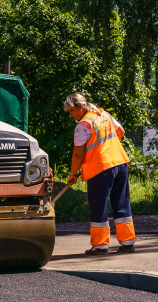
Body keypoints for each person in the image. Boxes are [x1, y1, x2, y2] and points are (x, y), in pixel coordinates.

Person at [64, 93, 136, 255]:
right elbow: (121, 132)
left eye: (71, 111)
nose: (71, 115)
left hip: (101, 168)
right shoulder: (104, 114)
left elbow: (77, 154)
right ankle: (128, 242)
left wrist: (72, 174)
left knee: (98, 206)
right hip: (120, 163)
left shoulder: (83, 125)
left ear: (79, 106)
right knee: (122, 203)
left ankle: (100, 245)